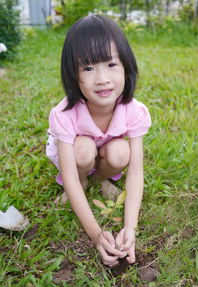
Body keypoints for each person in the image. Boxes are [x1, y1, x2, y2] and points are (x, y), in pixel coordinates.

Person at [46, 15, 151, 267]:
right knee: (82, 151)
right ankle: (85, 181)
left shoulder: (134, 110)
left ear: (127, 66)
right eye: (89, 68)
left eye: (111, 64)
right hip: (77, 154)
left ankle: (101, 178)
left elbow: (135, 173)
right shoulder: (63, 114)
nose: (102, 78)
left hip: (106, 150)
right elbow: (68, 176)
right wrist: (96, 235)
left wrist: (130, 228)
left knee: (120, 152)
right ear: (73, 74)